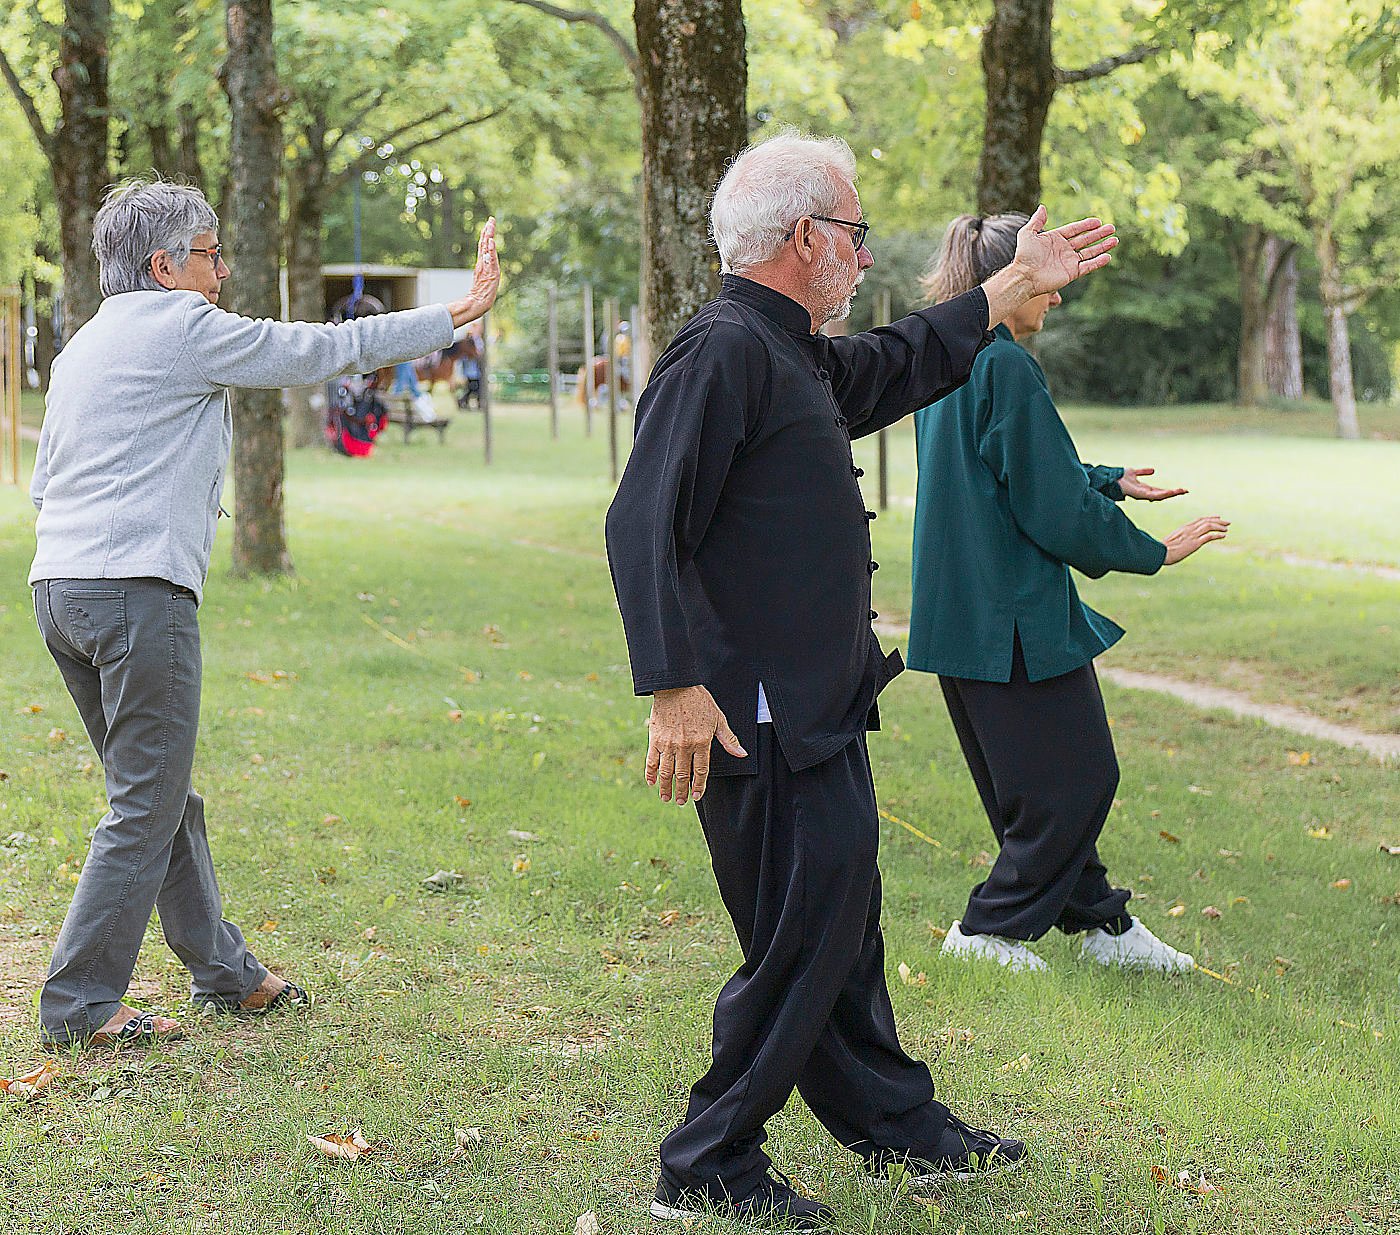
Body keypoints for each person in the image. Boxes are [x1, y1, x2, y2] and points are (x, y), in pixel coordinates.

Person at [605, 133, 1118, 1228]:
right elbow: (642, 519)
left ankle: (893, 1121)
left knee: (842, 922)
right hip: (755, 716)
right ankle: (705, 1157)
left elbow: (895, 360)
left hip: (817, 706)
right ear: (803, 238)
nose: (861, 252)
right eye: (851, 231)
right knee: (807, 932)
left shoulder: (788, 350)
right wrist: (670, 686)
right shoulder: (721, 352)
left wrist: (1004, 288)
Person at [28, 177, 499, 1050]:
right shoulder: (182, 328)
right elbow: (318, 350)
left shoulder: (83, 347)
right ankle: (79, 1005)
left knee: (165, 795)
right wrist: (454, 313)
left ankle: (225, 973)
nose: (222, 269)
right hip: (136, 592)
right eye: (209, 253)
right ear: (164, 266)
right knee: (144, 801)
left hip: (60, 590)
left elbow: (42, 483)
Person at [907, 213, 1228, 976]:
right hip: (1011, 617)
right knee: (1081, 778)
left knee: (1035, 784)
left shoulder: (943, 359)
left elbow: (1004, 473)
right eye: (1048, 276)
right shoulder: (1007, 364)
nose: (1058, 296)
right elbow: (1050, 507)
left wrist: (1109, 480)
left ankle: (1101, 925)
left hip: (962, 616)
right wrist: (1155, 551)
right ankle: (987, 929)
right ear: (1009, 278)